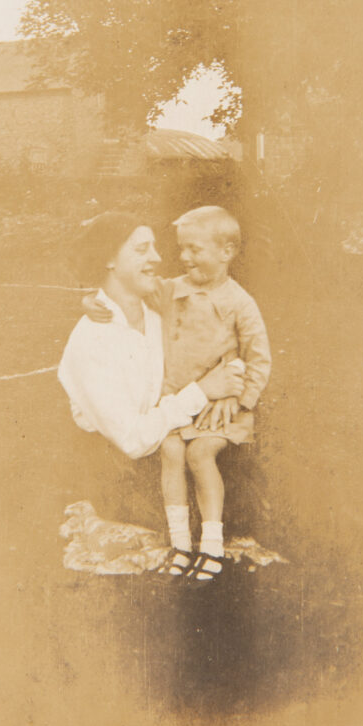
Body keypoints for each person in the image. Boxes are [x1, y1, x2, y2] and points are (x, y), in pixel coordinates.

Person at [83, 206, 271, 585]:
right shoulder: (171, 289)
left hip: (218, 409)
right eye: (181, 249)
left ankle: (212, 546)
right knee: (170, 450)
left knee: (201, 454)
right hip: (176, 401)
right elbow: (126, 292)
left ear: (227, 251)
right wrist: (92, 300)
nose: (183, 258)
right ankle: (181, 543)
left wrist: (240, 399)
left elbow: (259, 358)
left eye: (194, 250)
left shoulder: (240, 303)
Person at [58, 211, 246, 476]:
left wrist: (229, 386)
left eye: (154, 248)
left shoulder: (162, 314)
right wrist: (203, 392)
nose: (157, 258)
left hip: (173, 461)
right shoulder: (90, 342)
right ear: (109, 259)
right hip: (111, 476)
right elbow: (133, 441)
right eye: (141, 249)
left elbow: (223, 339)